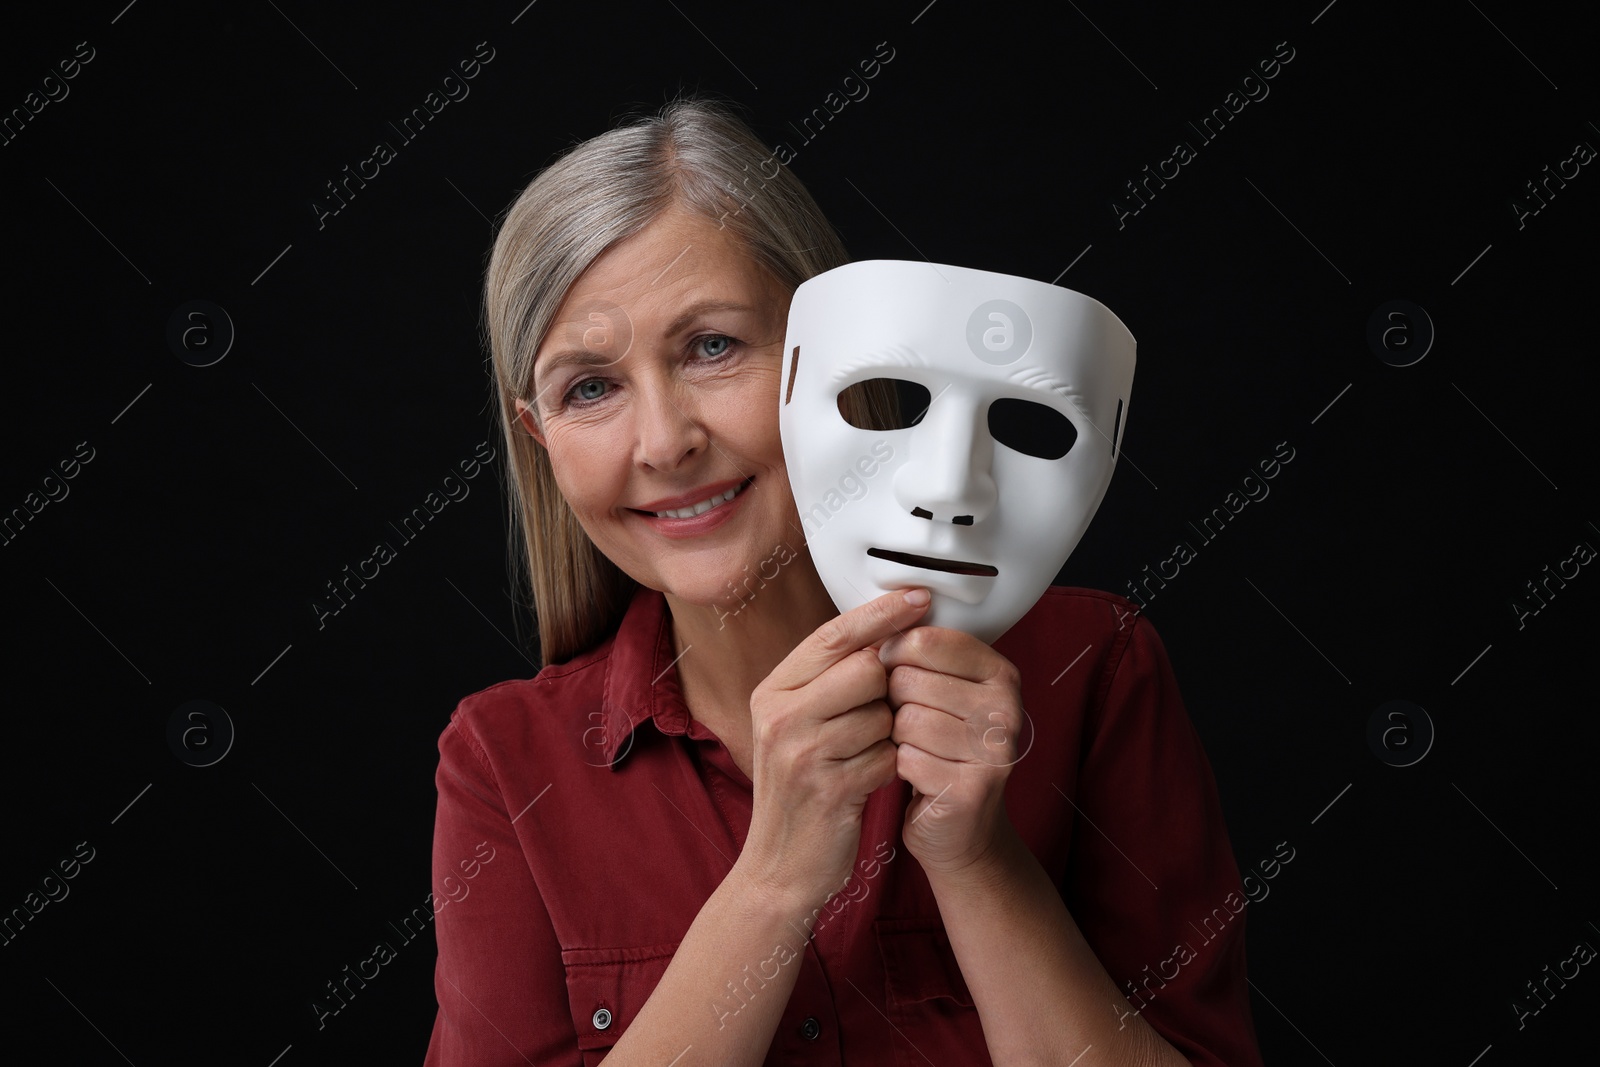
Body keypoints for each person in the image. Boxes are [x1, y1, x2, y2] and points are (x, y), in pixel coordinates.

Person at [425, 96, 1264, 1066]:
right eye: (590, 387)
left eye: (711, 346)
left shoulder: (1092, 670)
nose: (663, 442)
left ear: (834, 352)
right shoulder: (504, 762)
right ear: (542, 439)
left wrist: (977, 860)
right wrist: (774, 880)